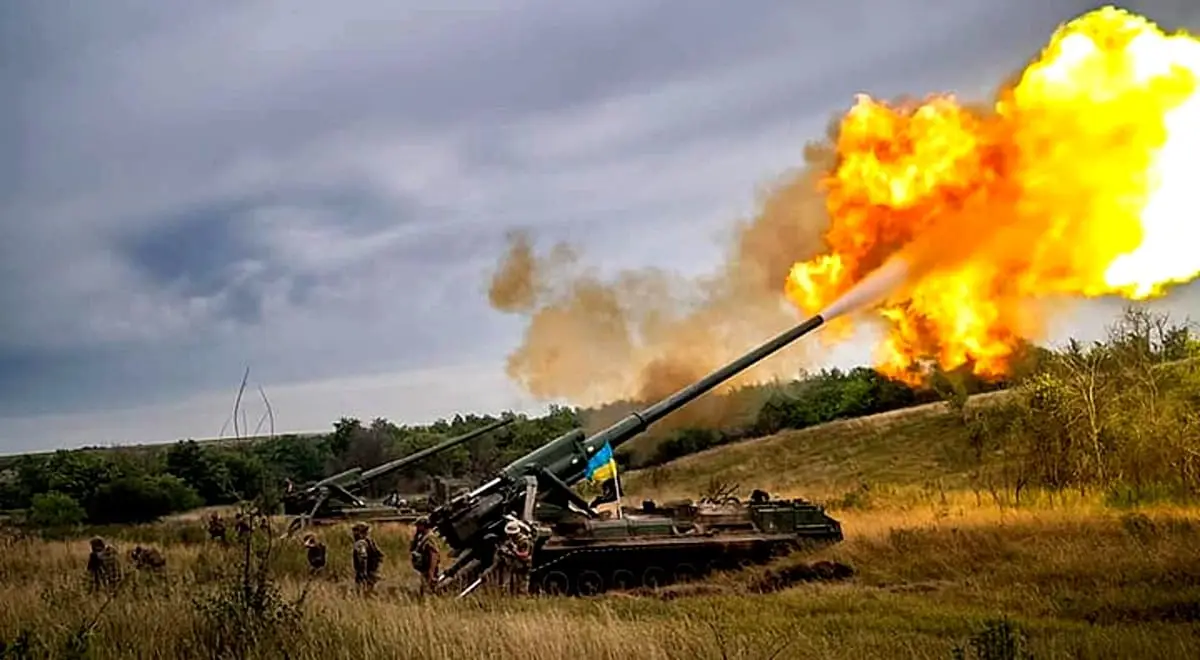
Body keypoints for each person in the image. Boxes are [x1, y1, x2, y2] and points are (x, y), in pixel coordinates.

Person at [496, 520, 533, 595]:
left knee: (522, 587)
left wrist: (513, 551)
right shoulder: (511, 540)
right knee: (511, 587)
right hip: (514, 566)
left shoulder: (524, 541)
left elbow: (524, 555)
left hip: (523, 566)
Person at [408, 517, 439, 594]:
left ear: (423, 526)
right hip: (425, 569)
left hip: (429, 569)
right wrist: (416, 536)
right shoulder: (422, 537)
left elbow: (434, 556)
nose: (417, 528)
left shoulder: (430, 538)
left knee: (428, 590)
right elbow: (412, 548)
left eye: (418, 526)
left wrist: (431, 573)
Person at [351, 522, 383, 591]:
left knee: (362, 592)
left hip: (366, 574)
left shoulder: (360, 544)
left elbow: (363, 558)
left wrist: (363, 573)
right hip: (373, 572)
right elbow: (380, 555)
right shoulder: (370, 542)